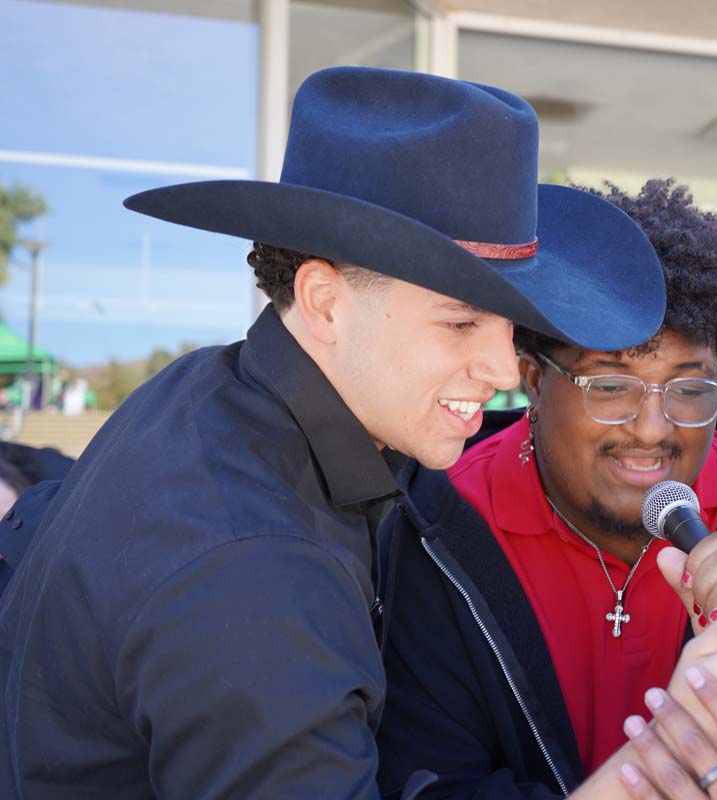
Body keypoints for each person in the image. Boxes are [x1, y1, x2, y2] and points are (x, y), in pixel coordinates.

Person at [0, 67, 673, 798]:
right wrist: (675, 766)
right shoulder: (259, 577)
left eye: (512, 326)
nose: (502, 365)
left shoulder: (209, 391)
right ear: (324, 302)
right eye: (459, 322)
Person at [376, 179, 717, 799]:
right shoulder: (440, 524)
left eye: (689, 389)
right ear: (532, 379)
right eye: (609, 386)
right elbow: (431, 785)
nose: (651, 429)